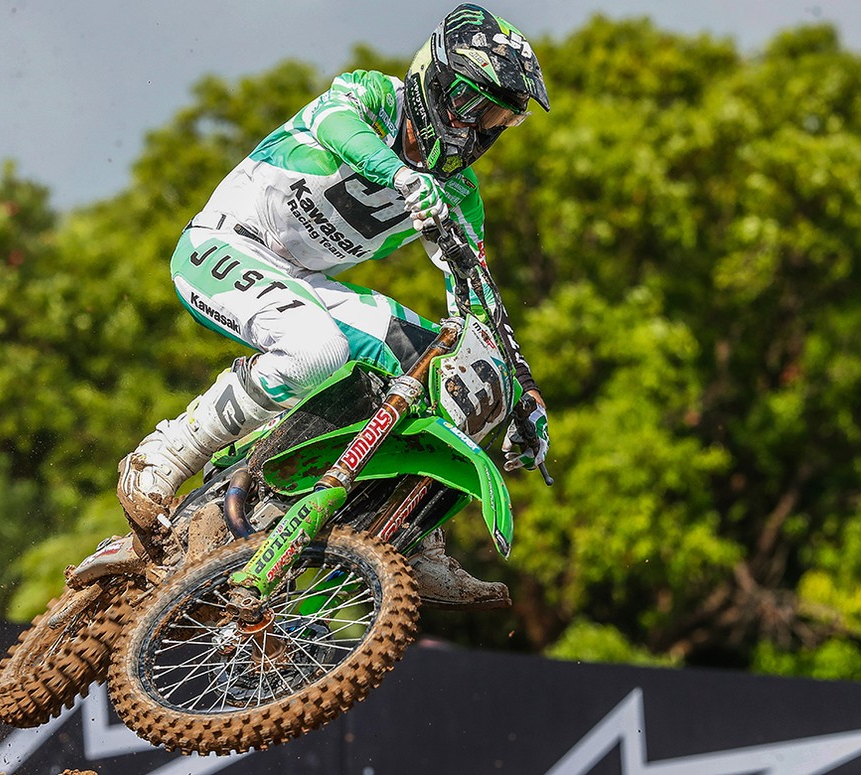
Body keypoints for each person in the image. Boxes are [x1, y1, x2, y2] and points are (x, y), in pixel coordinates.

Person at [117, 3, 551, 609]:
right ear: (434, 80)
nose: (480, 131)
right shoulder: (373, 96)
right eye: (474, 106)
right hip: (223, 244)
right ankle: (162, 458)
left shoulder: (458, 192)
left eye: (499, 120)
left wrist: (523, 392)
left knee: (453, 368)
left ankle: (411, 540)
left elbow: (476, 295)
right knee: (315, 350)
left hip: (303, 282)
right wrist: (400, 175)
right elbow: (334, 126)